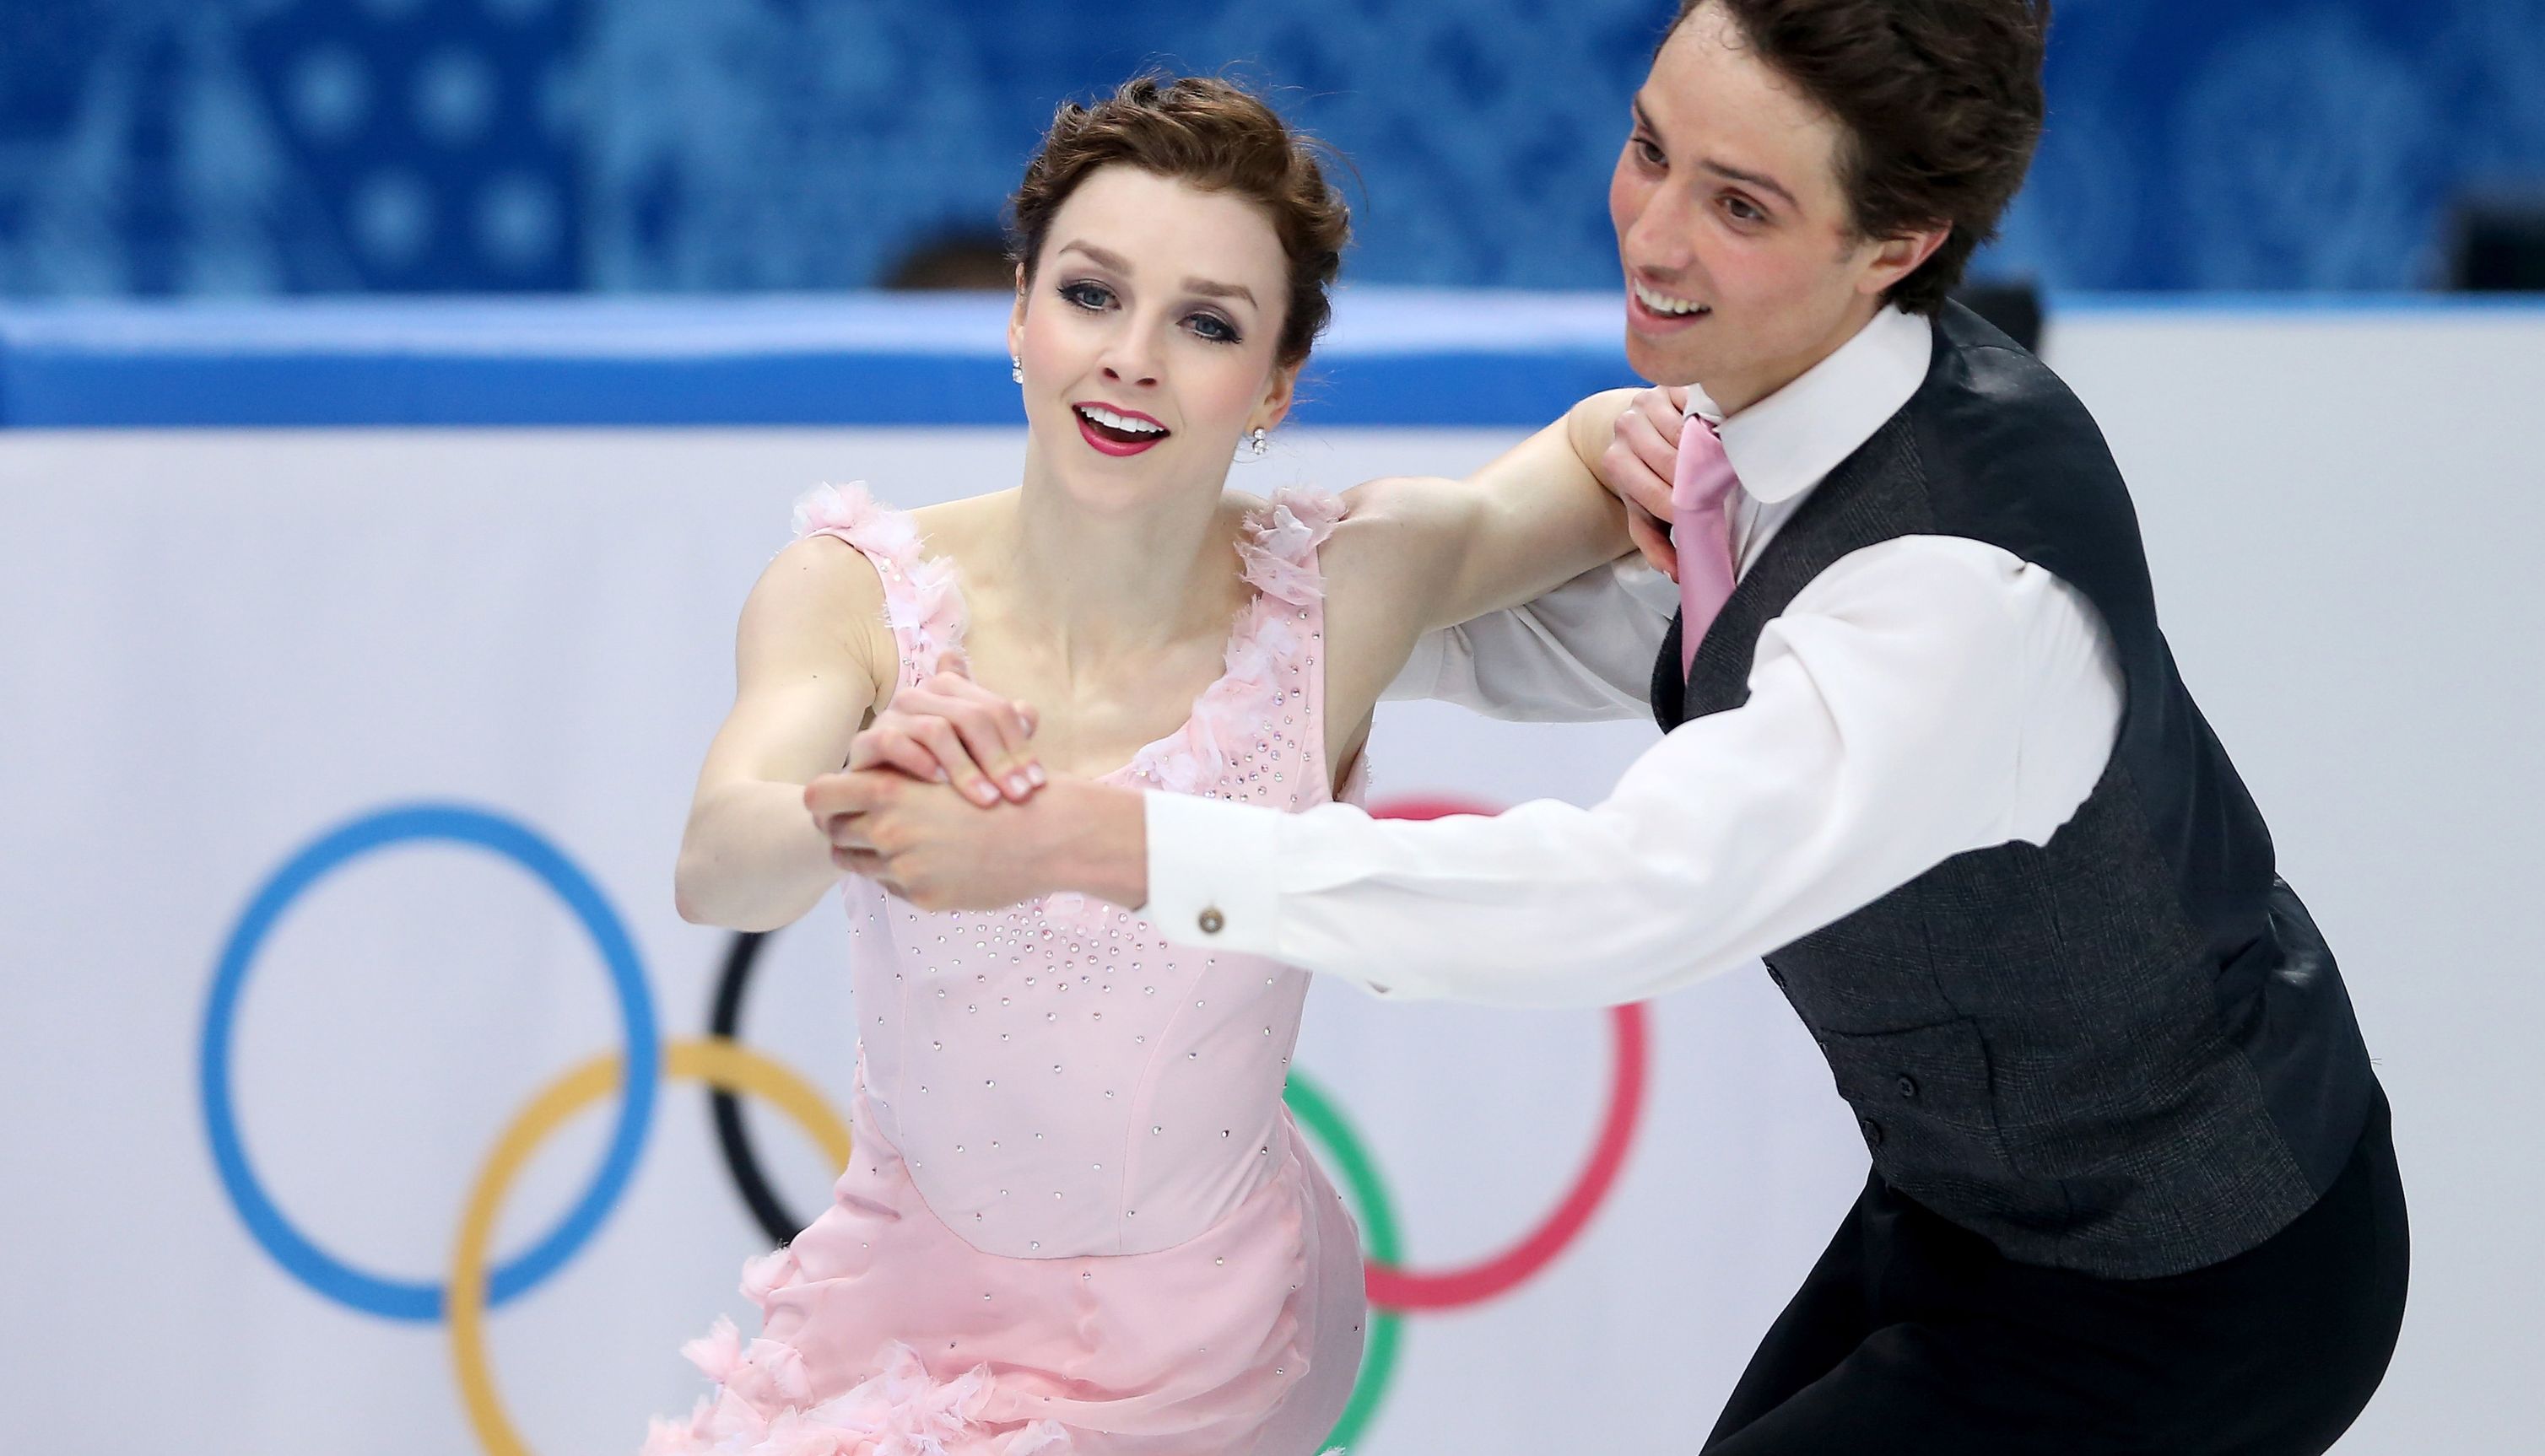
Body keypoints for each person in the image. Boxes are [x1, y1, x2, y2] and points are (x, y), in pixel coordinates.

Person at [818, 5, 2412, 1453]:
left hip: (2199, 1271)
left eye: (1741, 206)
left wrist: (1109, 837)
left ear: (1898, 242)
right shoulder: (1771, 397)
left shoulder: (1952, 597)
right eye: (1652, 147)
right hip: (1967, 1205)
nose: (1652, 234)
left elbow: (1621, 893)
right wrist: (1159, 603)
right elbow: (1630, 629)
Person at [652, 75, 1646, 1455]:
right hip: (909, 1298)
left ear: (1277, 383)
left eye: (1206, 323)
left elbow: (1592, 464)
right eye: (1092, 295)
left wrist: (1626, 435)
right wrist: (849, 803)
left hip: (1213, 1322)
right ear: (1018, 312)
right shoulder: (853, 594)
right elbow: (719, 867)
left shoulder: (1346, 588)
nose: (1131, 357)